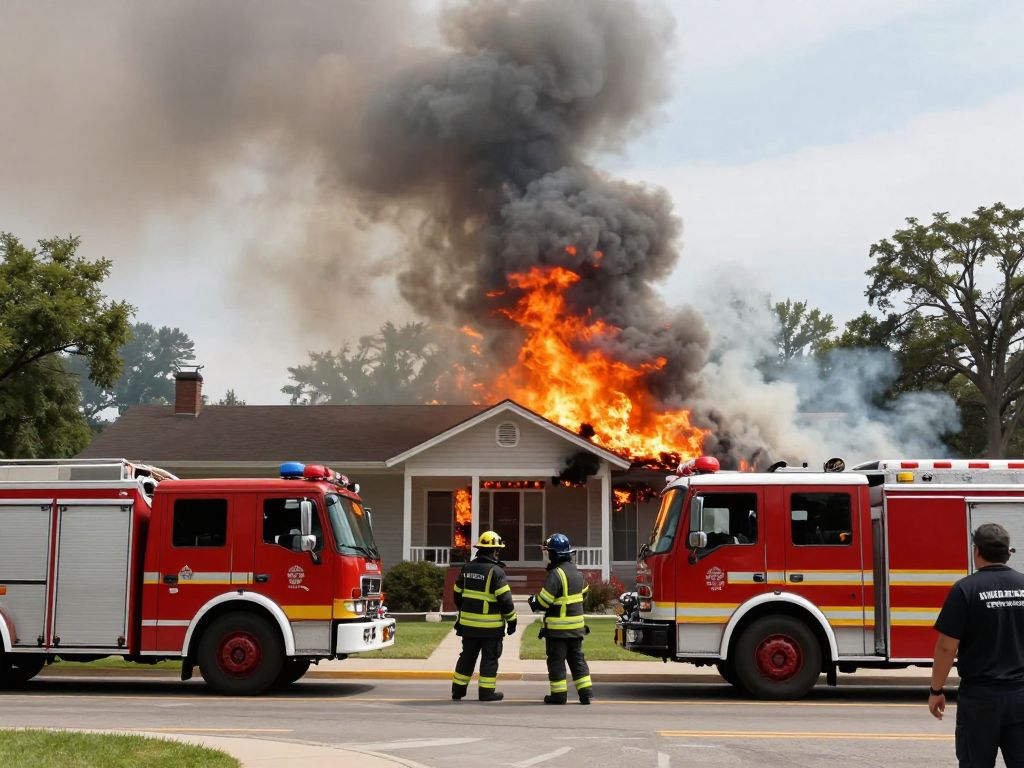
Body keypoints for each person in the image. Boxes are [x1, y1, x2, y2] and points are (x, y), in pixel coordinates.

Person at [929, 522, 1024, 767]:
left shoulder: (965, 589)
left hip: (980, 699)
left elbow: (946, 647)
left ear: (976, 551)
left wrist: (936, 691)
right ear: (1008, 552)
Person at [451, 530, 517, 702]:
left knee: (467, 657)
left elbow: (457, 594)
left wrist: (466, 611)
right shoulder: (496, 572)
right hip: (490, 629)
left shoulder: (466, 568)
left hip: (468, 627)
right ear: (495, 551)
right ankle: (486, 693)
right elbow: (505, 601)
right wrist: (512, 621)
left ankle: (458, 690)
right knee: (489, 659)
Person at [528, 533, 593, 705]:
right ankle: (585, 693)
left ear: (554, 554)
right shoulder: (577, 574)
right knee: (577, 659)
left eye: (549, 552)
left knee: (557, 661)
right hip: (577, 629)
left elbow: (543, 601)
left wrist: (533, 600)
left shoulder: (556, 575)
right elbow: (584, 594)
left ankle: (559, 695)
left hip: (558, 631)